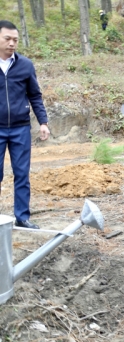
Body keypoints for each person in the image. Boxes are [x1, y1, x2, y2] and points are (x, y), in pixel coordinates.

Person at [0, 20, 50, 230]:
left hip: (20, 128)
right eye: (7, 39)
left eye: (15, 40)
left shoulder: (25, 65)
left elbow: (35, 96)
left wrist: (43, 122)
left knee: (22, 173)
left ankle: (22, 217)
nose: (12, 43)